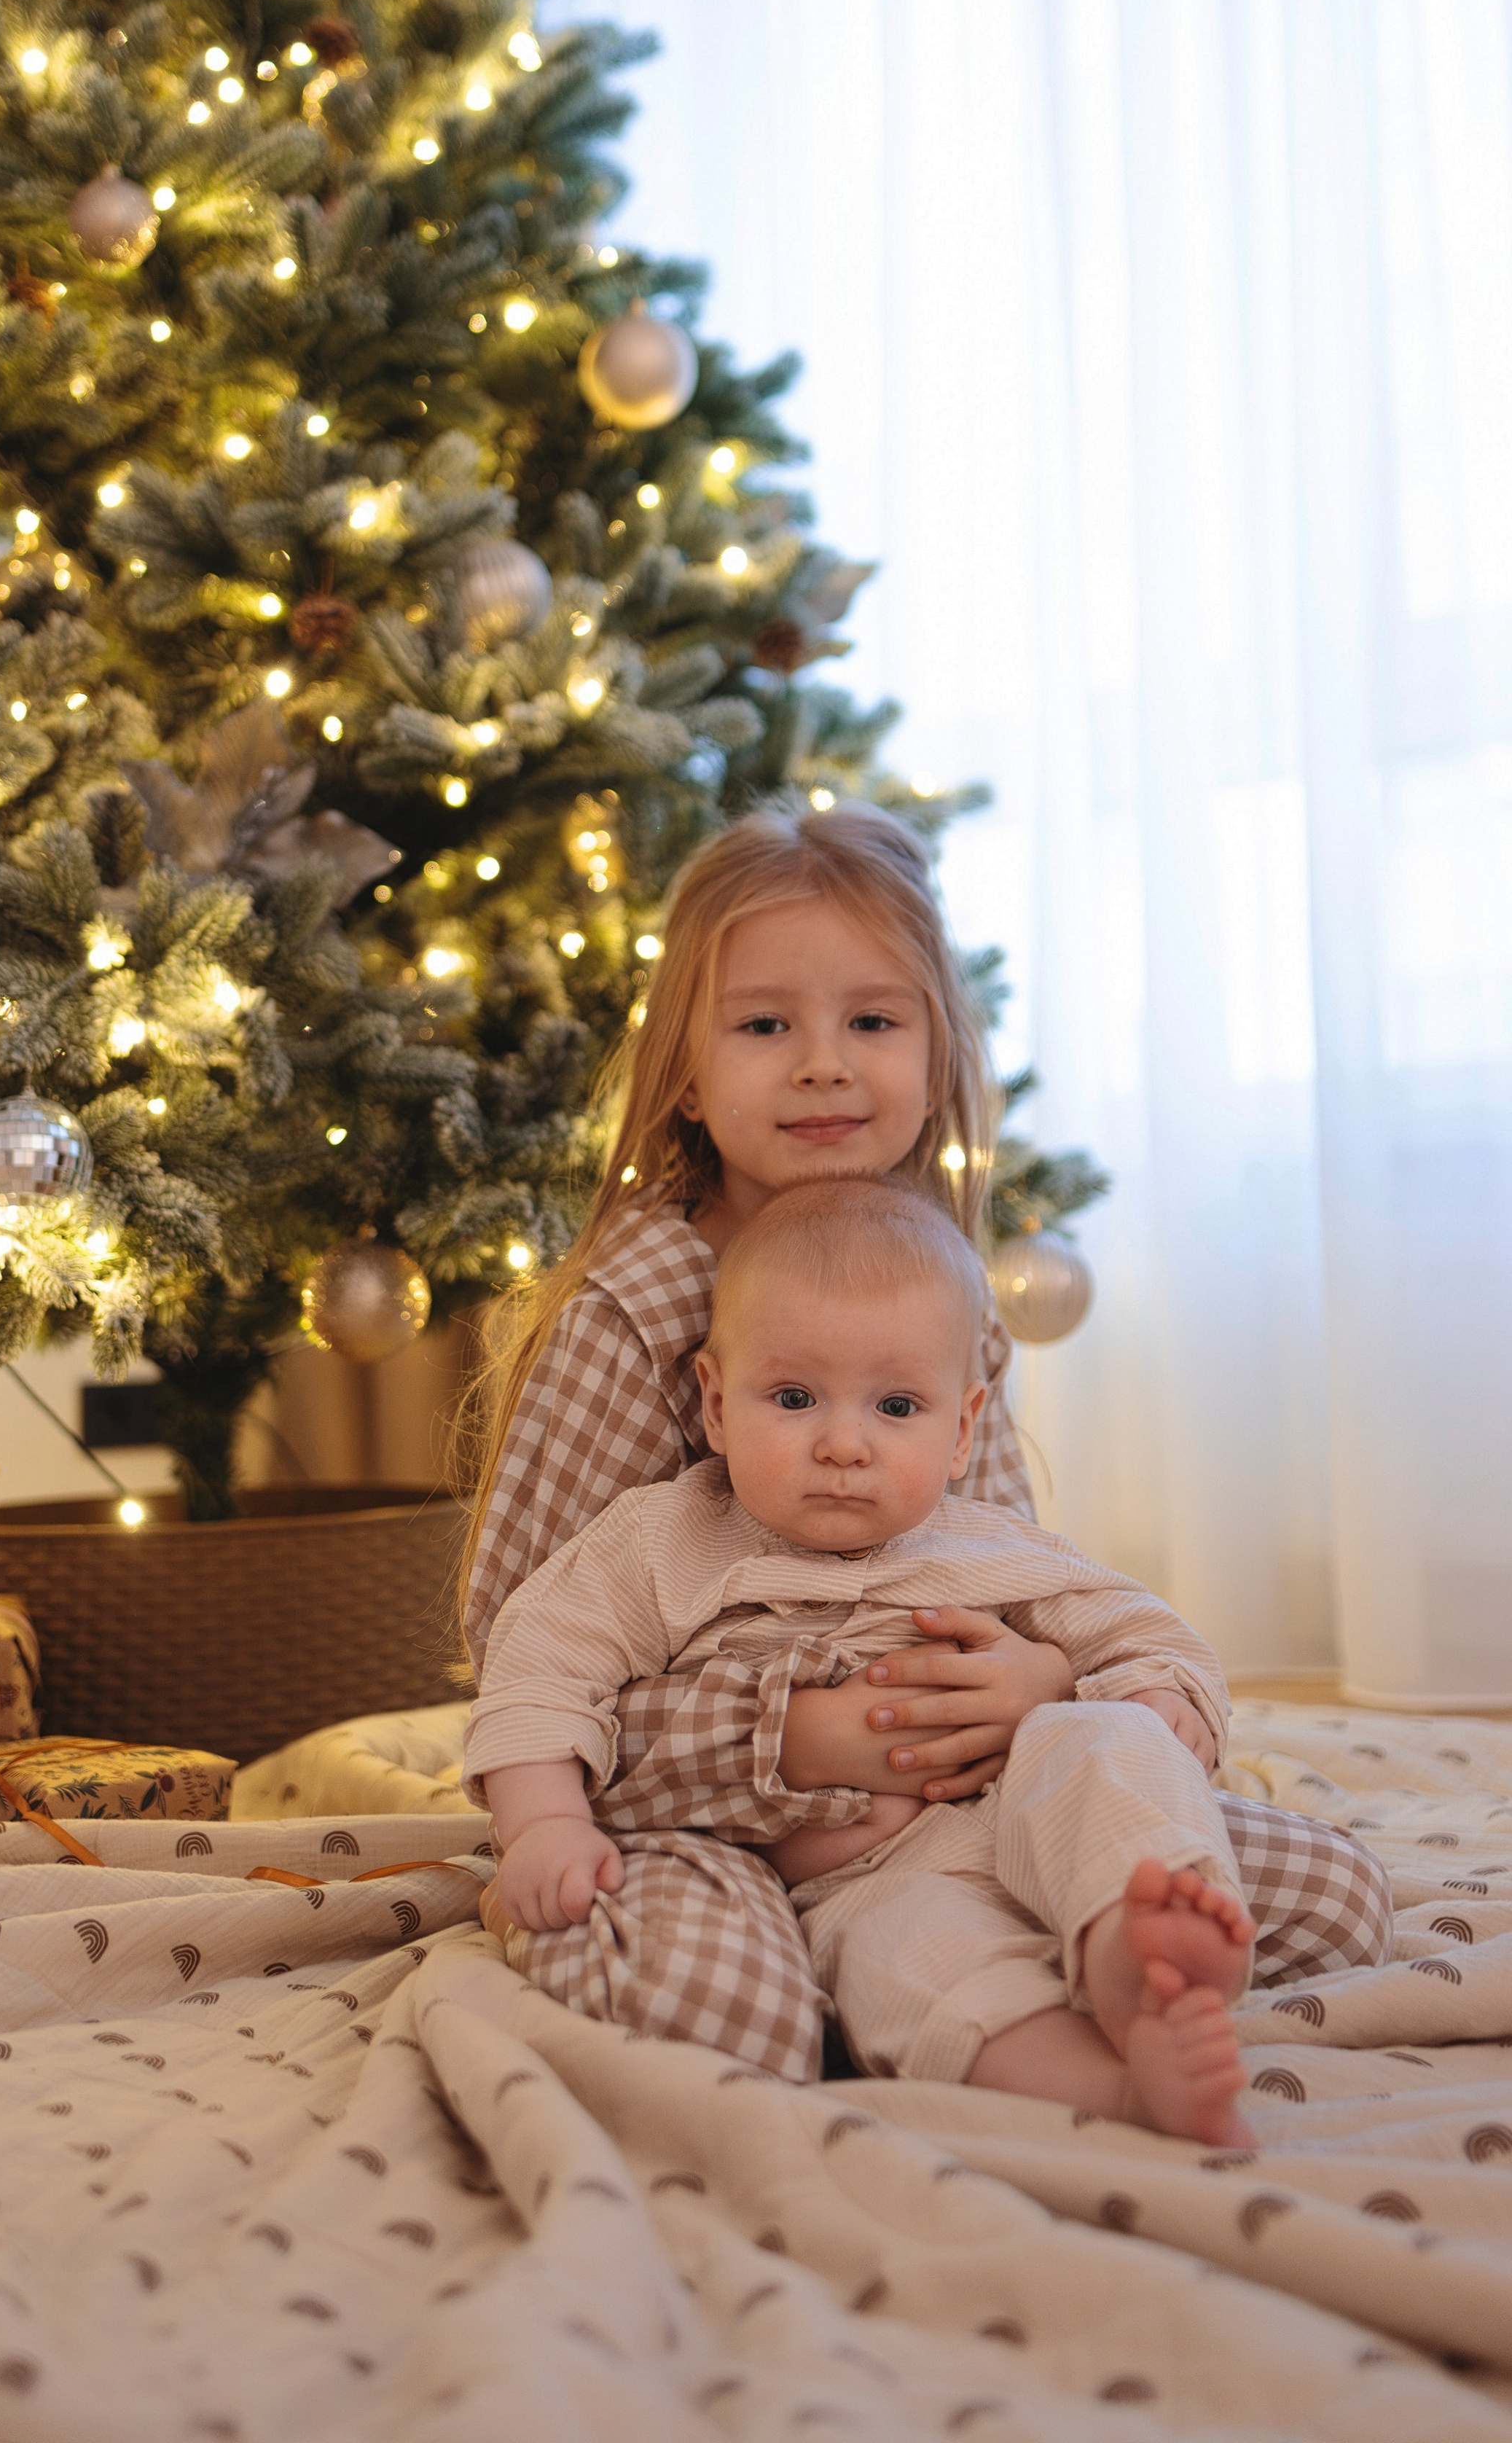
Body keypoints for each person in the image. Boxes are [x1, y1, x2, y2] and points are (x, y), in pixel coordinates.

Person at [460, 800, 1392, 2083]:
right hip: (695, 1814)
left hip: (961, 1796)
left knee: (1332, 1900)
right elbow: (520, 1656)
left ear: (938, 1055)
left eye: (873, 1022)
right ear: (683, 1069)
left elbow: (1005, 1562)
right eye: (765, 1025)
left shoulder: (937, 1284)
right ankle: (876, 1961)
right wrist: (792, 1740)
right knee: (721, 2014)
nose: (824, 1065)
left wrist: (1044, 1686)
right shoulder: (636, 1310)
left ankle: (1085, 1951)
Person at [468, 1180, 1256, 2143]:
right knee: (908, 1967)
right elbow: (538, 1669)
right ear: (716, 1404)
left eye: (896, 1406)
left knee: (1106, 1740)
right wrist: (545, 1823)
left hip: (1024, 1820)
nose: (844, 1445)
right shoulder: (663, 1545)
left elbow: (1146, 1632)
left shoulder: (989, 1547)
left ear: (961, 1429)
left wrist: (1161, 1697)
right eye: (794, 1398)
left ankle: (1134, 1939)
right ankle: (1121, 2090)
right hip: (859, 1883)